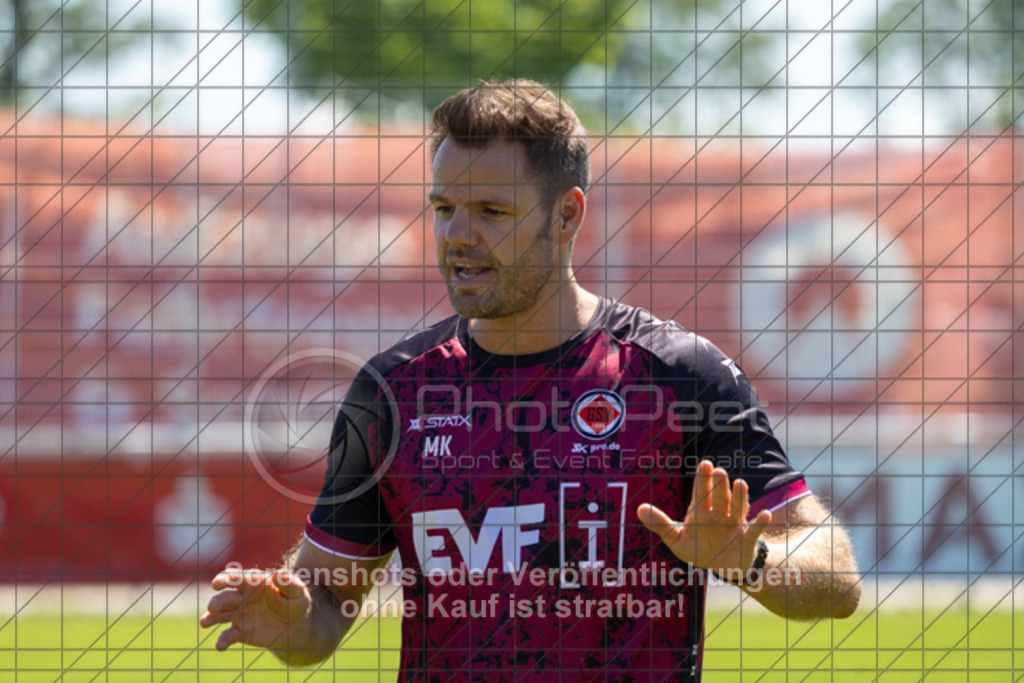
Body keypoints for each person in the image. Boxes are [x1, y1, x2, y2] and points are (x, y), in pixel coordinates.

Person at [200, 79, 861, 681]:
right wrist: (292, 622)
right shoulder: (393, 391)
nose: (457, 235)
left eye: (492, 210)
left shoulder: (680, 376)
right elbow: (322, 606)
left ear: (567, 215)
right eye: (444, 207)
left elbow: (836, 574)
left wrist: (752, 563)